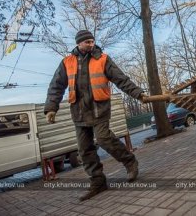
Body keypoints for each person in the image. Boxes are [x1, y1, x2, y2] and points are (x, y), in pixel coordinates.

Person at [44, 30, 146, 201]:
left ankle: (130, 162)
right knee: (84, 149)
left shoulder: (103, 59)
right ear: (79, 43)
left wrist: (138, 94)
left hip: (99, 109)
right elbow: (56, 86)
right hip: (79, 112)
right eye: (87, 42)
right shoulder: (67, 62)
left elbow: (121, 79)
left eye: (92, 41)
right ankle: (98, 181)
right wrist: (51, 108)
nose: (91, 44)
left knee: (104, 138)